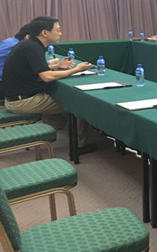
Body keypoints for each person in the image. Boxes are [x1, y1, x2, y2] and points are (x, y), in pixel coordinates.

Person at [2, 16, 95, 151]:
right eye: (57, 30)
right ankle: (79, 146)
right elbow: (47, 77)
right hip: (22, 102)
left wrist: (57, 66)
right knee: (77, 103)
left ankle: (47, 131)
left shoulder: (29, 44)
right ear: (45, 33)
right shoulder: (32, 47)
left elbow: (33, 69)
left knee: (58, 99)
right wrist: (75, 70)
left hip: (18, 97)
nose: (60, 33)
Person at [0, 24, 31, 98]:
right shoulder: (19, 47)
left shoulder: (10, 40)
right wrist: (49, 64)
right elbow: (31, 66)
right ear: (28, 37)